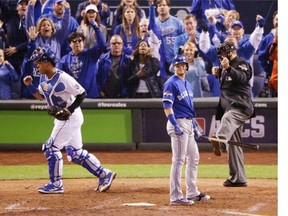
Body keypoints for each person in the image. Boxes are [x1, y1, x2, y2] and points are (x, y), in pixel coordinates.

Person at [23, 47, 116, 194]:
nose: (36, 65)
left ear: (47, 62)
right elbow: (41, 96)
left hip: (70, 117)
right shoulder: (43, 78)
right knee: (75, 154)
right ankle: (105, 174)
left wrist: (69, 110)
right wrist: (30, 86)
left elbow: (82, 93)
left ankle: (56, 184)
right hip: (62, 118)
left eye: (38, 62)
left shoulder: (63, 78)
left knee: (51, 147)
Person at [162, 54, 211, 205]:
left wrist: (194, 123)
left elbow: (188, 106)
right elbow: (167, 106)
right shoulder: (171, 83)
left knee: (194, 157)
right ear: (174, 67)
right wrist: (174, 124)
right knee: (178, 160)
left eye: (182, 65)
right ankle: (175, 196)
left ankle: (191, 192)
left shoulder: (187, 84)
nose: (180, 67)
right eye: (177, 65)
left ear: (186, 67)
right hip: (178, 122)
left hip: (188, 123)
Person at [210, 40, 254, 187]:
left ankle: (220, 139)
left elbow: (242, 78)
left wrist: (227, 68)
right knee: (234, 145)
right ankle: (238, 178)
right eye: (220, 54)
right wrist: (219, 73)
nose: (221, 57)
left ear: (231, 52)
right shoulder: (224, 66)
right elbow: (228, 85)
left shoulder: (242, 63)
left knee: (228, 119)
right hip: (229, 106)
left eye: (223, 54)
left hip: (241, 106)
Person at [58, 28, 106, 98]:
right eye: (74, 41)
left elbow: (102, 46)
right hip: (73, 98)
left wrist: (96, 29)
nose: (77, 43)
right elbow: (59, 77)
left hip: (91, 96)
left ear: (83, 42)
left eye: (80, 40)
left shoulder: (91, 54)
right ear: (70, 44)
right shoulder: (64, 60)